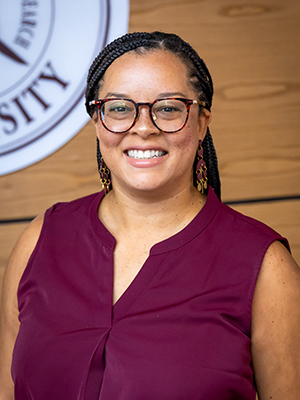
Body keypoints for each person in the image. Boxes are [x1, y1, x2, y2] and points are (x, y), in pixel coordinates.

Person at [0, 31, 299, 400]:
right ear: (97, 120)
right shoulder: (41, 239)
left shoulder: (266, 266)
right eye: (120, 108)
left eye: (169, 107)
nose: (144, 127)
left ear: (202, 121)